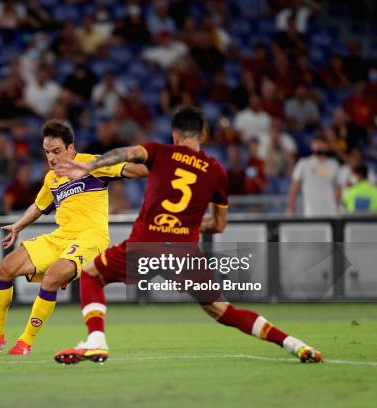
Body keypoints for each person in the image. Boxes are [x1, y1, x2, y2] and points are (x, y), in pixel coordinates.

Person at [53, 107, 323, 365]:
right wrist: (189, 225)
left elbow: (125, 152)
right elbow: (219, 225)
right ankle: (293, 343)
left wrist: (90, 166)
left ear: (175, 135)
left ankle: (97, 339)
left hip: (146, 243)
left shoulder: (160, 152)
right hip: (185, 252)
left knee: (91, 274)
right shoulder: (216, 171)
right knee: (223, 310)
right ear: (202, 136)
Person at [0, 119, 147, 355]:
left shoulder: (92, 163)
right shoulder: (52, 178)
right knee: (3, 269)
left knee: (52, 276)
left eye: (57, 151)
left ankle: (25, 342)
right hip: (60, 237)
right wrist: (18, 226)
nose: (51, 158)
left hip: (90, 238)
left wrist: (149, 165)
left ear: (71, 148)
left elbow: (138, 170)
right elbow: (39, 206)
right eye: (47, 152)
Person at [287, 135, 340, 216]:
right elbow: (294, 186)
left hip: (330, 212)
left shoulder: (333, 164)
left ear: (326, 146)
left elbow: (338, 188)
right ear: (312, 145)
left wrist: (338, 207)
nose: (319, 145)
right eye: (316, 142)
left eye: (322, 143)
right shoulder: (303, 164)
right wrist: (290, 207)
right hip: (311, 212)